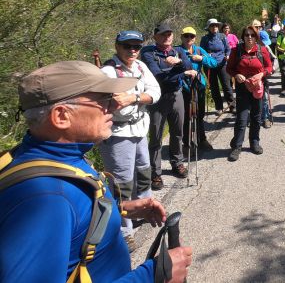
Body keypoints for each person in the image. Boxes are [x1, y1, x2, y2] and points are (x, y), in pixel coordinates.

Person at [0, 61, 191, 282]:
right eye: (103, 99)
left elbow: (71, 224)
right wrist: (153, 275)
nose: (113, 106)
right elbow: (59, 209)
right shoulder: (47, 199)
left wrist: (115, 210)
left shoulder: (46, 156)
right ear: (61, 116)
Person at [99, 30, 161, 252]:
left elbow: (155, 92)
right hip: (117, 134)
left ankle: (144, 207)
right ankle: (125, 229)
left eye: (136, 46)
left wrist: (133, 97)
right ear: (117, 47)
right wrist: (130, 100)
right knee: (121, 182)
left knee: (144, 171)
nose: (133, 50)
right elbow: (107, 103)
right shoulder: (107, 72)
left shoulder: (140, 67)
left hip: (138, 129)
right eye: (128, 46)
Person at [141, 22, 196, 190]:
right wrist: (181, 70)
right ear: (156, 36)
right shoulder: (148, 52)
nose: (167, 37)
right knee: (156, 136)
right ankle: (155, 172)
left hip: (177, 95)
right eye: (163, 34)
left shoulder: (177, 51)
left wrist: (179, 64)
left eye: (169, 34)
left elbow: (188, 65)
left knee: (177, 132)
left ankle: (177, 162)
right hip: (158, 97)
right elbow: (157, 75)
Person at [226, 25, 272, 161]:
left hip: (258, 87)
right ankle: (237, 146)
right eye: (247, 35)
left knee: (256, 117)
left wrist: (261, 74)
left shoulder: (262, 50)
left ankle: (254, 142)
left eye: (252, 35)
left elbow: (270, 67)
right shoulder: (236, 51)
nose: (250, 37)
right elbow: (229, 68)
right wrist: (237, 75)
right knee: (242, 118)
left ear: (256, 37)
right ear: (243, 37)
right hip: (242, 88)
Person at [178, 26, 217, 152]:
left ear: (195, 38)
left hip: (198, 86)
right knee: (185, 116)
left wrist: (202, 59)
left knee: (199, 115)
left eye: (192, 36)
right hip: (183, 86)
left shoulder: (199, 50)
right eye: (186, 36)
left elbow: (214, 63)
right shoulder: (177, 50)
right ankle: (186, 142)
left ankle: (202, 140)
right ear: (182, 37)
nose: (189, 38)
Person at [200, 18, 235, 114]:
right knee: (214, 87)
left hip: (222, 64)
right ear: (208, 28)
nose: (214, 27)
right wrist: (207, 55)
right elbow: (201, 51)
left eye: (216, 25)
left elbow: (228, 48)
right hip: (210, 65)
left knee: (226, 85)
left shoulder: (222, 36)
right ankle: (219, 107)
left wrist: (227, 55)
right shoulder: (205, 39)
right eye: (212, 25)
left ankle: (232, 105)